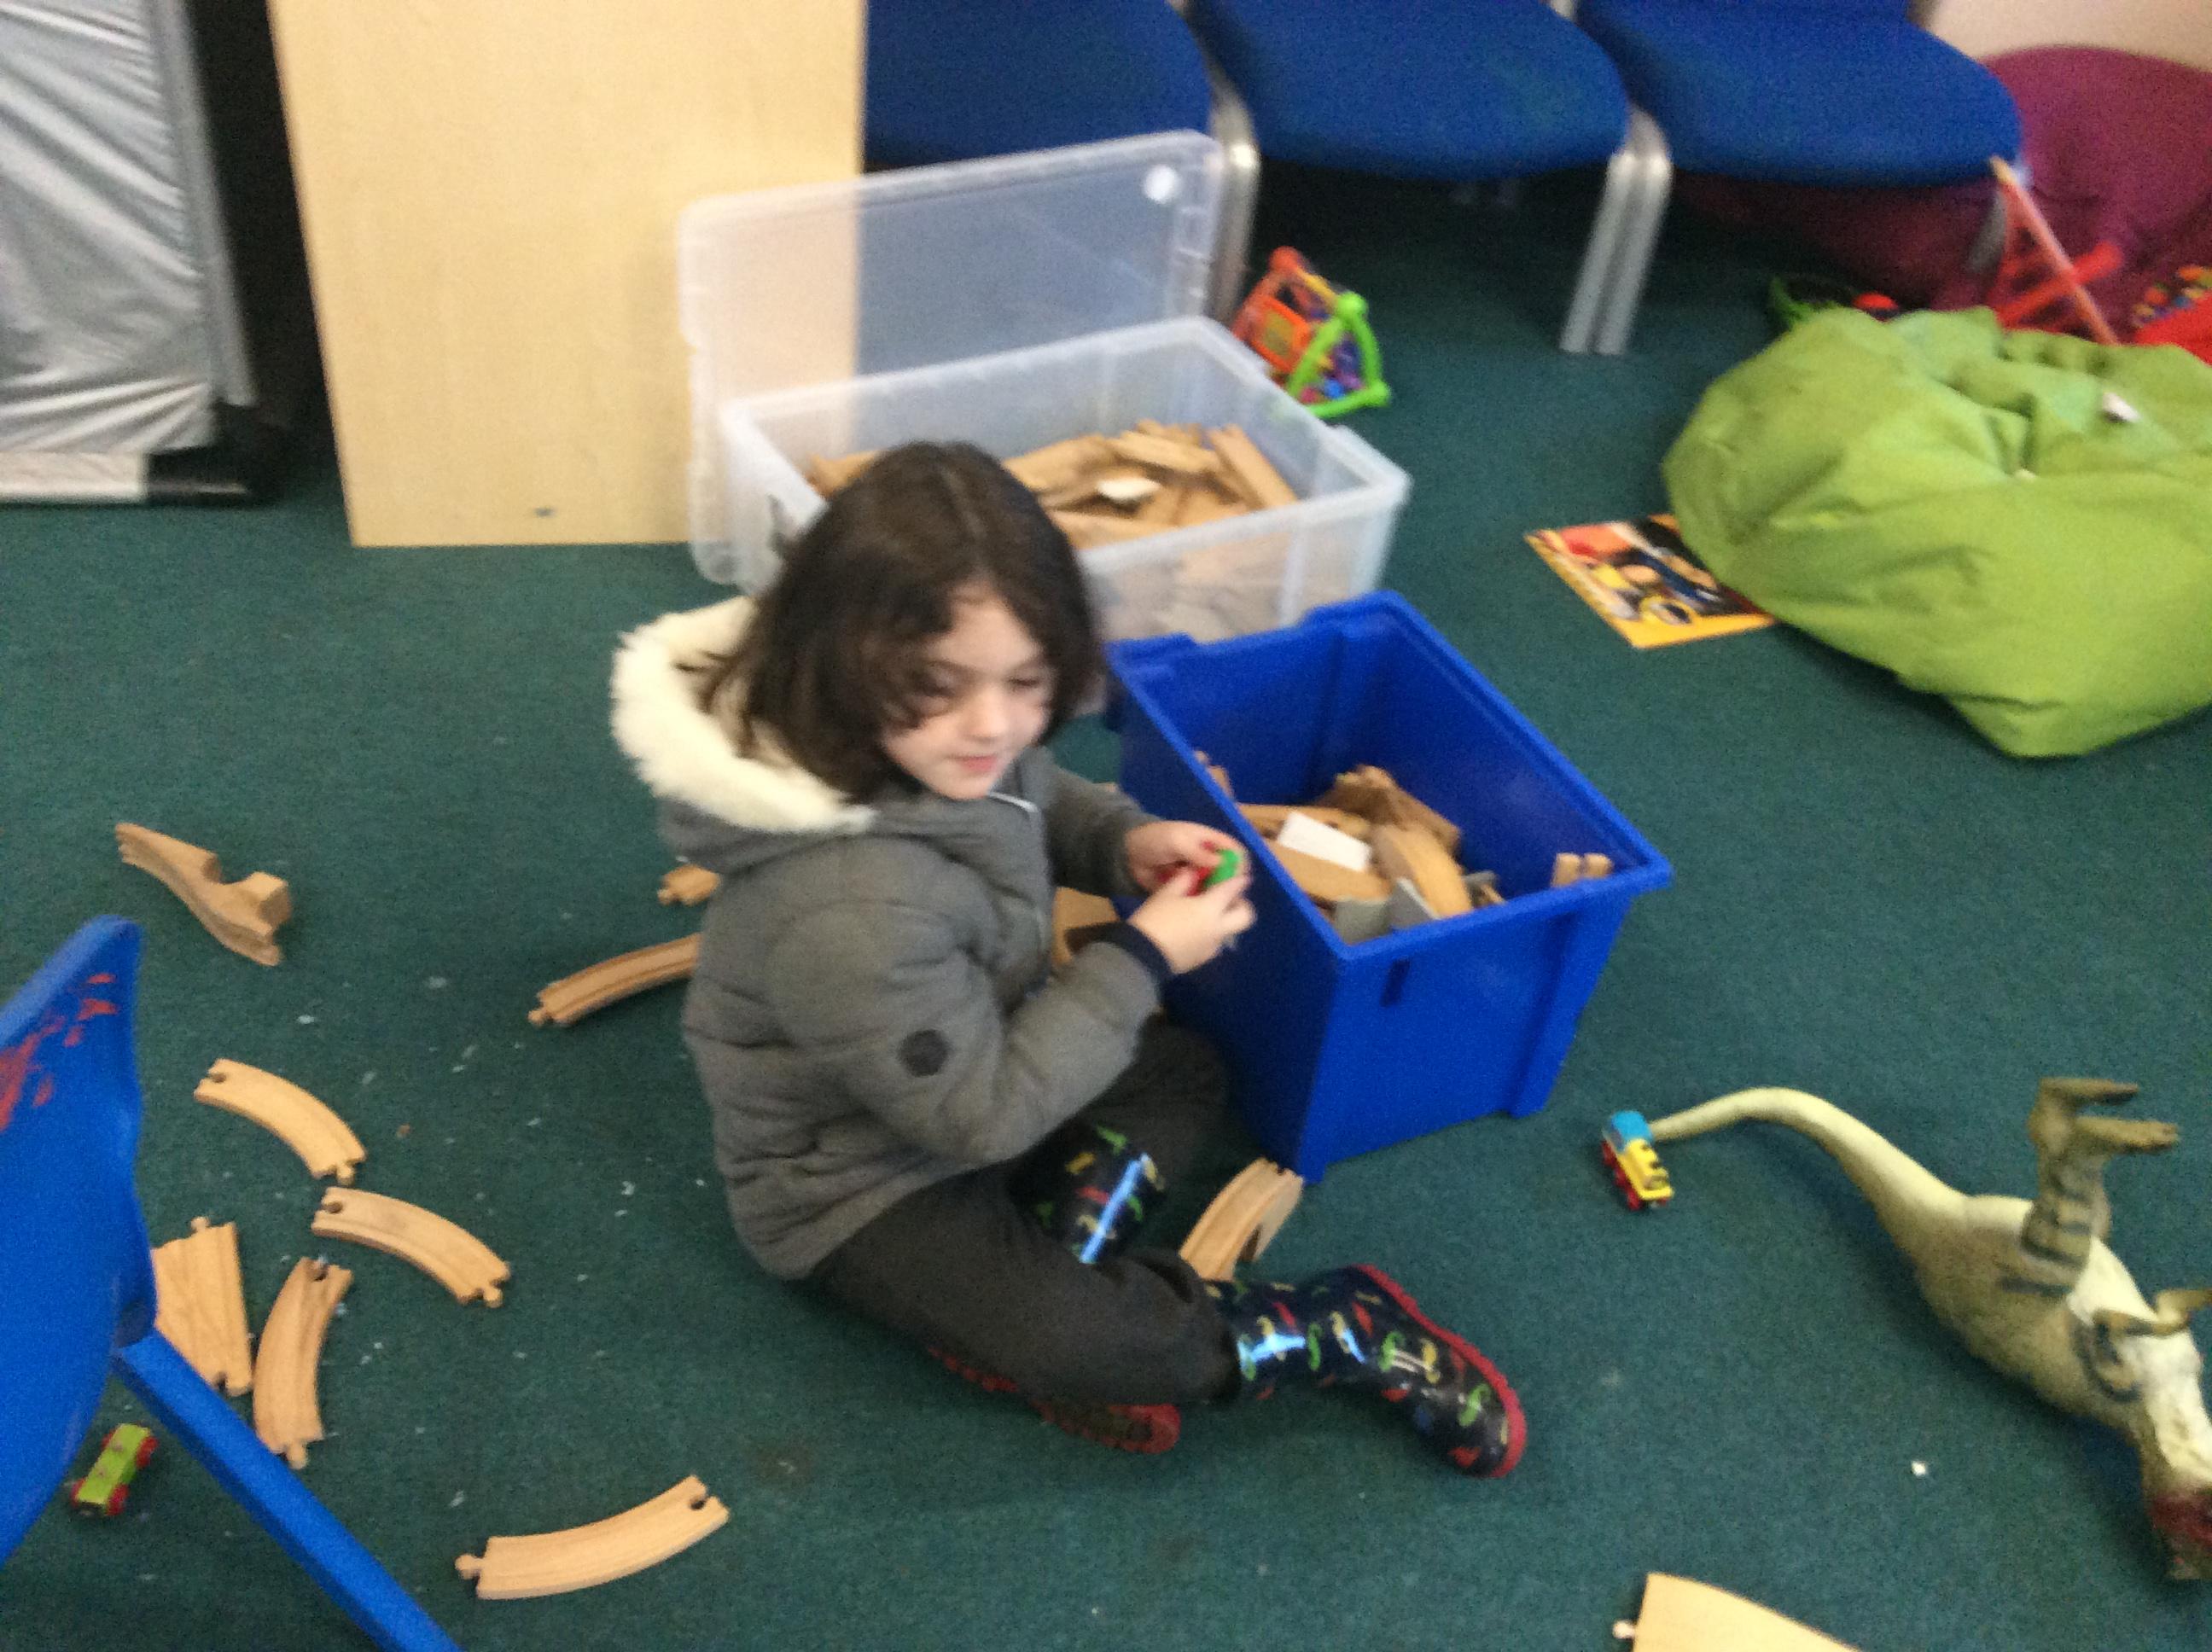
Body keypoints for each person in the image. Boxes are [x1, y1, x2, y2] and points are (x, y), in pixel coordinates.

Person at [610, 441, 1522, 1474]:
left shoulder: (932, 741)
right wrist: (1140, 954)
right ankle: (1331, 1325)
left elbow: (1031, 794)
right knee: (1073, 1337)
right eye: (939, 685)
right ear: (845, 661)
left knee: (1183, 1069)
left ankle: (1050, 1247)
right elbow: (979, 1117)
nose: (992, 724)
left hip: (974, 1060)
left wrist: (1122, 842)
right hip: (864, 1187)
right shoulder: (846, 914)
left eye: (1027, 680)